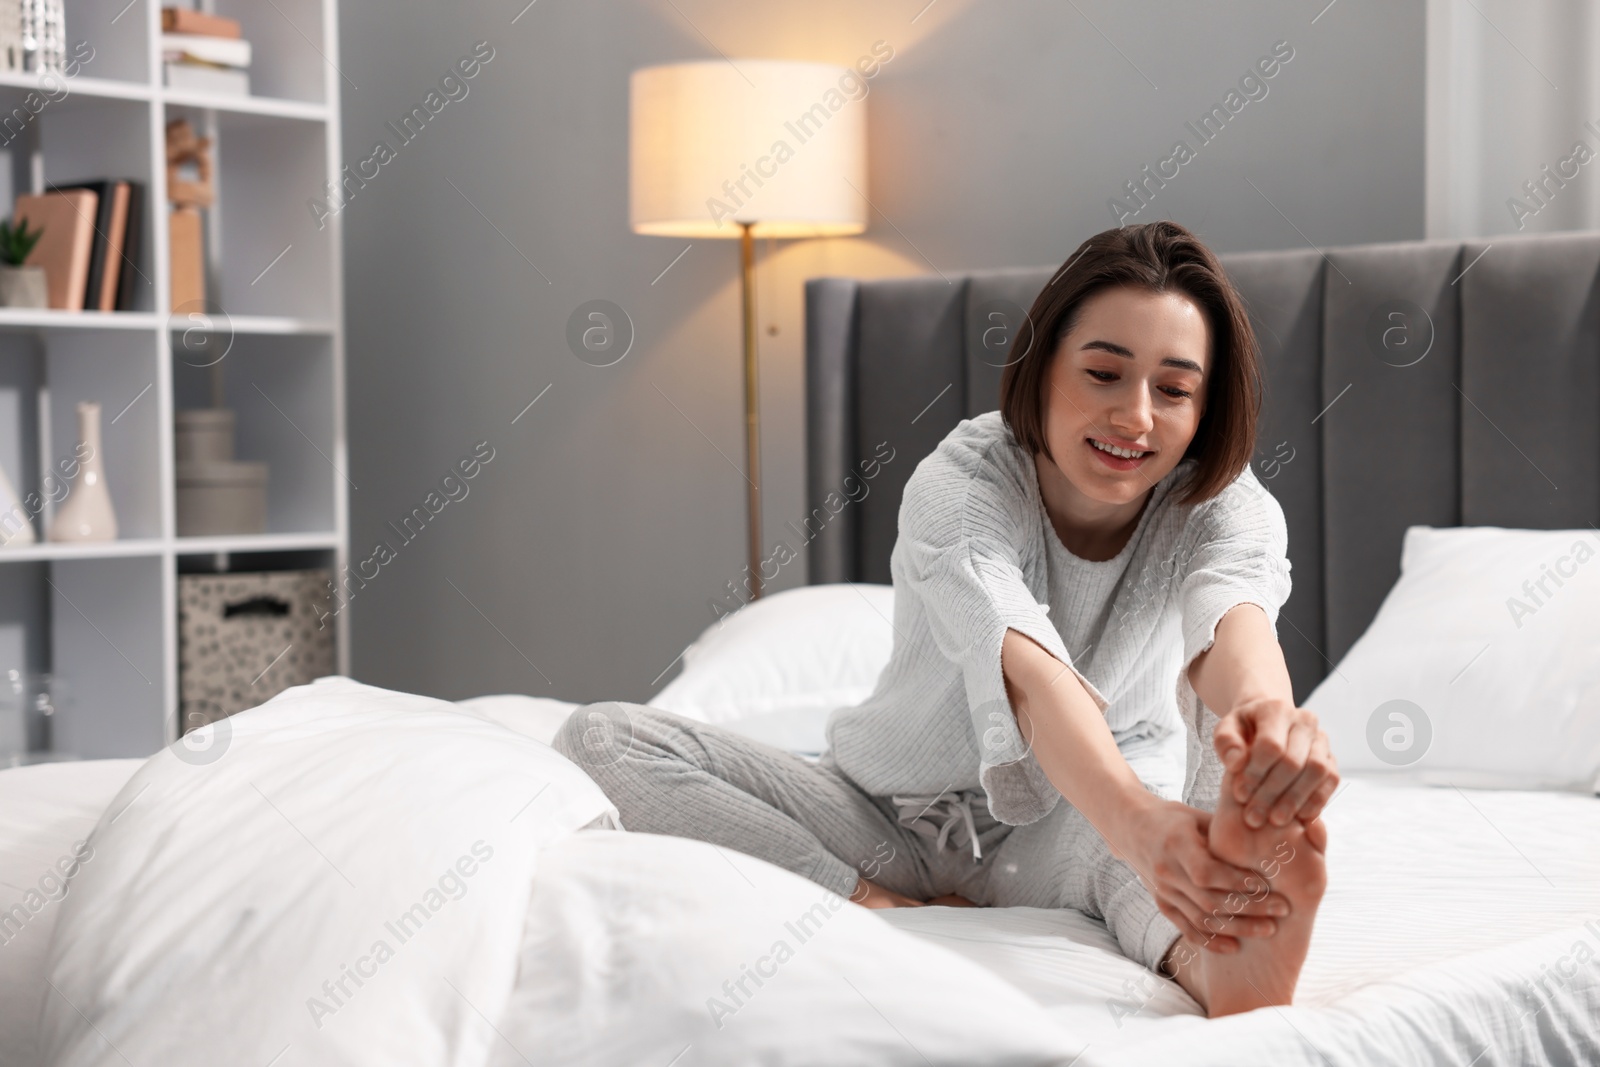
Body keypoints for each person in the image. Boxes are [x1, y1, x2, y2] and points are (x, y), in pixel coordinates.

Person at [554, 220, 1337, 1017]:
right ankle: (873, 903)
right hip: (885, 816)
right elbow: (1025, 669)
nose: (1136, 417)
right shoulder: (961, 487)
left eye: (1173, 390)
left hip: (1067, 821)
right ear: (1041, 371)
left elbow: (1233, 625)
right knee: (601, 739)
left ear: (1205, 410)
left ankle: (1220, 957)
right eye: (1103, 372)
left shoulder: (1224, 506)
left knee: (1138, 858)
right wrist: (1138, 821)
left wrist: (1268, 727)